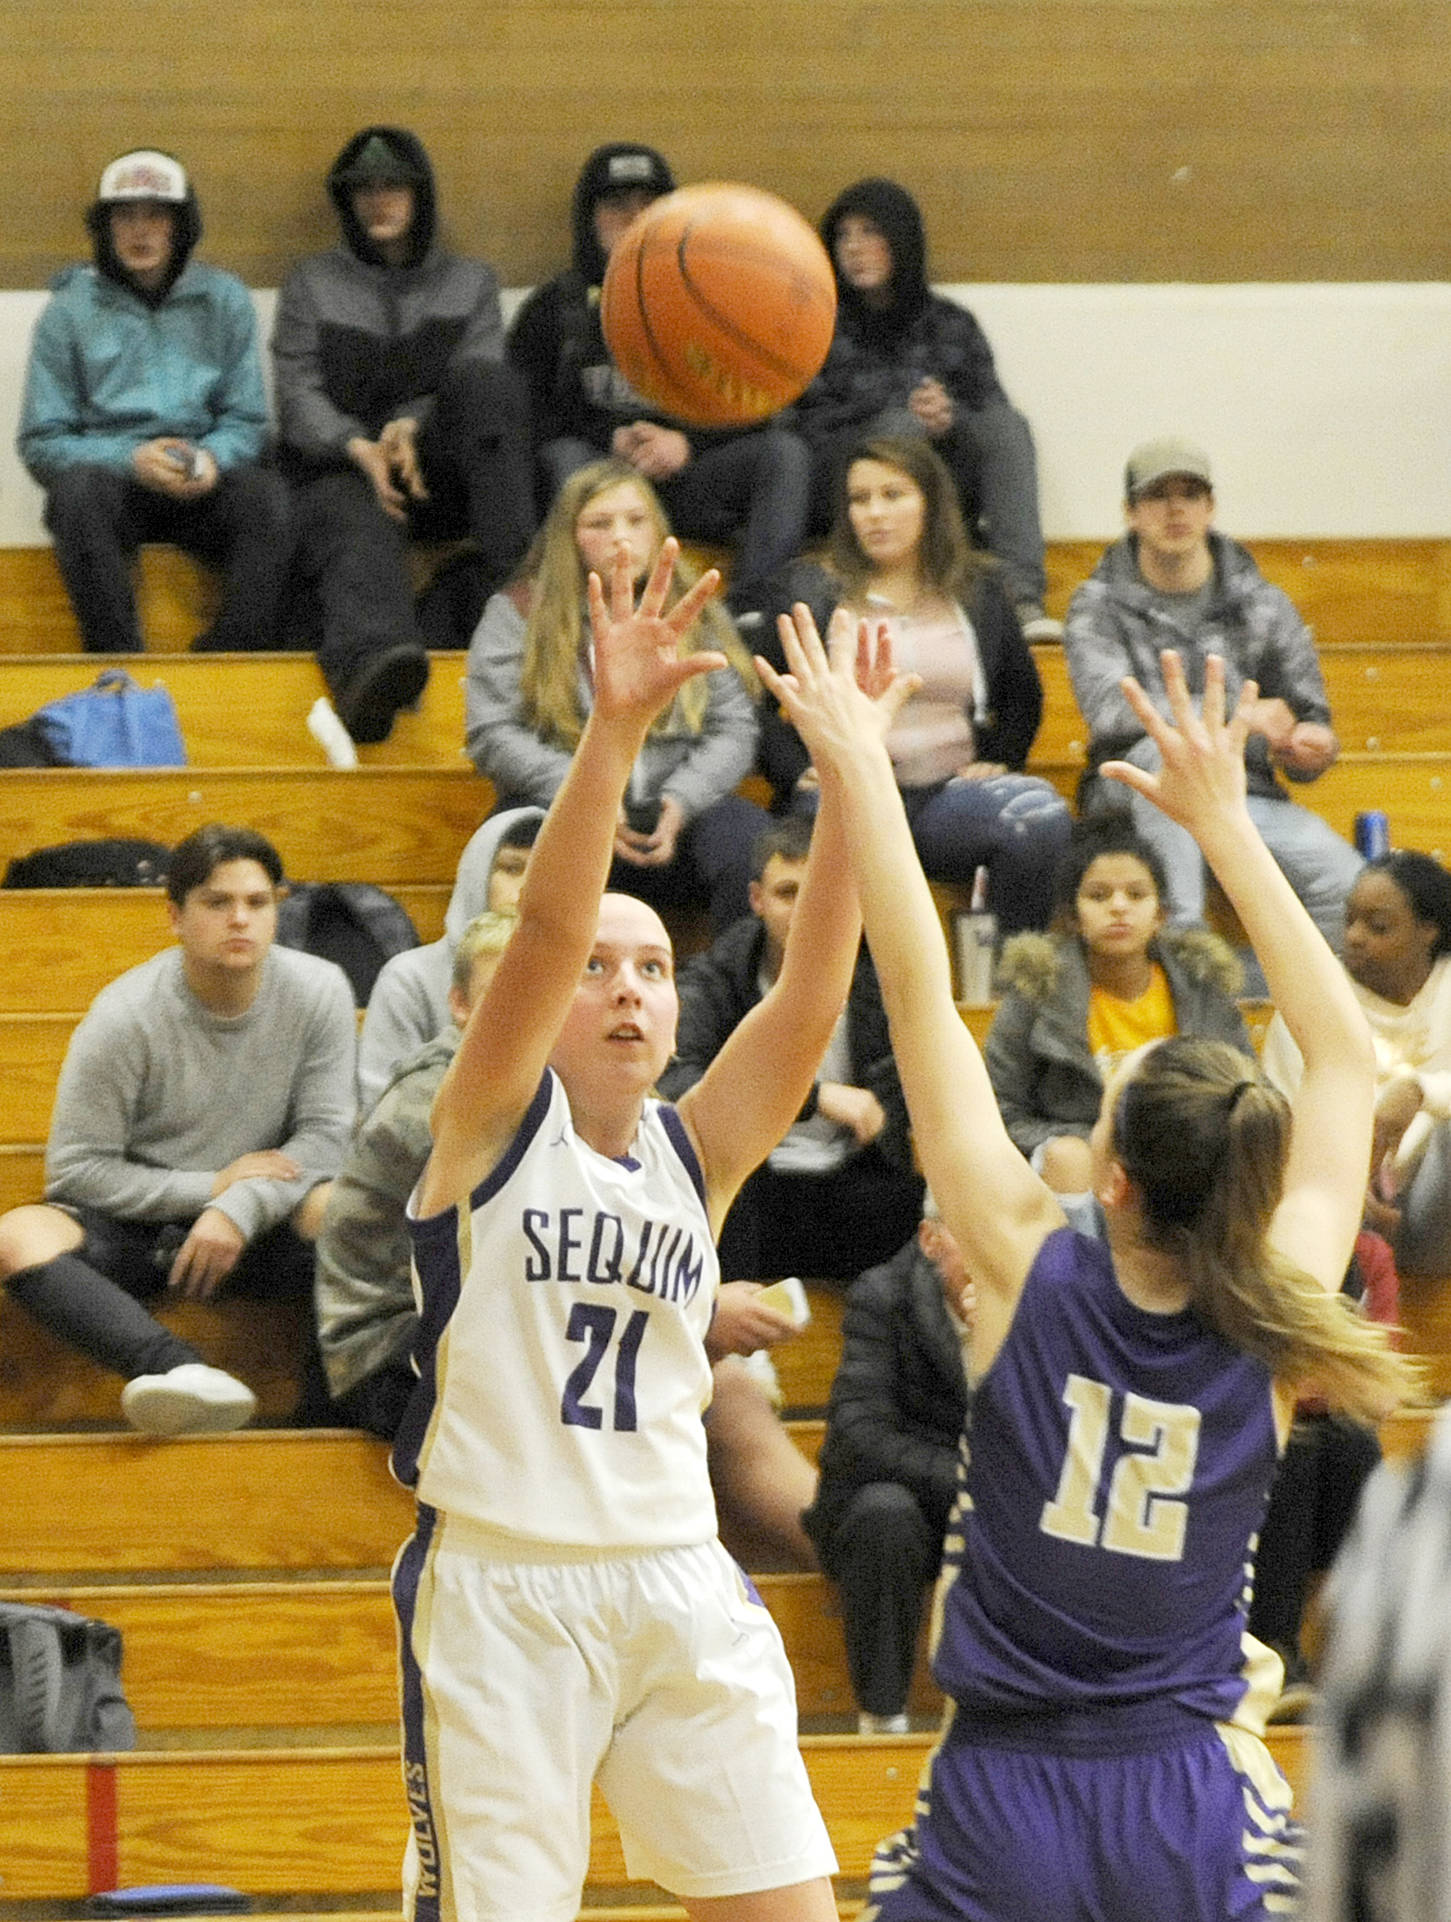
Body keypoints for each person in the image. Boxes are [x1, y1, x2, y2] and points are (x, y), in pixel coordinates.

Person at [758, 627, 1417, 1921]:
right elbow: (1342, 1060)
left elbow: (913, 990)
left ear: (1106, 1178)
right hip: (1187, 1795)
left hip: (1003, 1788)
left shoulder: (1023, 1259)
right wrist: (1226, 824)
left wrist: (858, 765)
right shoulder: (1273, 1309)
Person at [392, 535, 899, 1921]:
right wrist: (612, 729)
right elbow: (546, 926)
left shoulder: (697, 1153)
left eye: (656, 970)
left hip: (678, 1572)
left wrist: (852, 772)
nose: (625, 988)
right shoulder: (489, 1125)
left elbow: (808, 995)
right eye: (600, 971)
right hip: (506, 1585)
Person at [321, 909, 819, 1570]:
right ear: (466, 1008)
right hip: (391, 1345)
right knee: (706, 1389)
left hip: (550, 1342)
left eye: (650, 968)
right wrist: (699, 1316)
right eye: (512, 995)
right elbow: (526, 1280)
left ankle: (822, 1546)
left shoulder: (633, 1112)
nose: (522, 1013)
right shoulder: (454, 1103)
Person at [0, 825, 356, 1436]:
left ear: (279, 908)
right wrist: (212, 1187)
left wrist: (239, 1206)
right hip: (141, 1225)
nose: (240, 920)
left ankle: (329, 1414)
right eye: (218, 903)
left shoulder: (320, 990)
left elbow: (325, 1140)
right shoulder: (125, 1014)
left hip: (263, 1219)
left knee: (347, 1209)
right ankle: (180, 1371)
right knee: (15, 1236)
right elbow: (78, 1170)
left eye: (257, 902)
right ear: (176, 916)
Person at [272, 126, 535, 743]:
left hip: (438, 467)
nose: (378, 201)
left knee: (493, 387)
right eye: (363, 190)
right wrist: (358, 446)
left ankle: (521, 605)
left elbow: (477, 376)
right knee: (349, 516)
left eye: (393, 187)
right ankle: (375, 670)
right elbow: (296, 392)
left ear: (421, 197)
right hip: (343, 470)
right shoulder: (311, 282)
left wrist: (412, 426)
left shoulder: (471, 282)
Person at [1064, 435, 1363, 954]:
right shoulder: (1097, 605)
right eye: (1158, 496)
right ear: (1130, 512)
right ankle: (1187, 942)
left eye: (1191, 494)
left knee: (1347, 886)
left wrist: (1312, 746)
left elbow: (1307, 721)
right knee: (1170, 751)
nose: (1176, 509)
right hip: (1135, 788)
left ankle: (1277, 1001)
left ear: (1210, 507)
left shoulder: (1263, 603)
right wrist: (1239, 714)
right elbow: (1112, 712)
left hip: (1245, 792)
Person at [764, 434, 1069, 934]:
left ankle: (1013, 986)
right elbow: (756, 697)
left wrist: (1001, 756)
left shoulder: (979, 588)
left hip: (949, 792)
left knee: (1037, 819)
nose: (874, 513)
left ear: (931, 502)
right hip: (846, 789)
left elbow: (1022, 697)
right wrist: (796, 768)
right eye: (859, 500)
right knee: (825, 831)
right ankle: (854, 1005)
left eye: (893, 495)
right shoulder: (813, 591)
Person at [505, 140, 811, 610]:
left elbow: (759, 403)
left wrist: (687, 444)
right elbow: (524, 421)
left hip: (692, 478)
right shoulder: (551, 310)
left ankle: (754, 615)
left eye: (649, 205)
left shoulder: (715, 297)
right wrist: (609, 442)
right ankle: (587, 612)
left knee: (783, 453)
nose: (634, 217)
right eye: (617, 205)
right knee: (565, 460)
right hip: (601, 487)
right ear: (589, 218)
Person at [465, 457, 768, 933]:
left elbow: (733, 727)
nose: (620, 536)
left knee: (752, 846)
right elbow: (491, 733)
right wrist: (589, 797)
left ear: (658, 530)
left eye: (636, 520)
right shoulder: (517, 613)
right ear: (570, 537)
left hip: (679, 816)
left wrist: (681, 800)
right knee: (511, 841)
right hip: (563, 804)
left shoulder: (693, 607)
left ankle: (738, 991)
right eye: (599, 524)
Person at [17, 148, 290, 654]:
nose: (140, 231)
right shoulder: (68, 311)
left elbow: (248, 421)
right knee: (74, 496)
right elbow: (42, 441)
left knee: (270, 496)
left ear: (180, 226)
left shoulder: (224, 298)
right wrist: (129, 460)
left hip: (203, 479)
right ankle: (119, 659)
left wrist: (210, 459)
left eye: (156, 215)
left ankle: (233, 654)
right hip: (115, 486)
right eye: (125, 216)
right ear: (105, 228)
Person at [659, 813, 923, 1279]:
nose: (806, 910)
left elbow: (910, 1094)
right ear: (756, 899)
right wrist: (815, 1099)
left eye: (821, 892)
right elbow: (679, 1081)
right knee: (723, 1184)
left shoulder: (882, 982)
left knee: (914, 1198)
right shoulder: (713, 980)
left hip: (848, 1182)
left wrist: (890, 1121)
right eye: (787, 893)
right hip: (749, 1183)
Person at [795, 177, 1053, 633]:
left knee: (1006, 426)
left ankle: (1021, 597)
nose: (854, 248)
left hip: (944, 485)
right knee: (899, 429)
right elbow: (805, 427)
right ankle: (886, 584)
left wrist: (951, 418)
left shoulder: (951, 323)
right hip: (850, 485)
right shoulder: (818, 327)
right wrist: (898, 411)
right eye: (843, 236)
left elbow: (990, 414)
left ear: (900, 241)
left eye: (870, 233)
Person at [985, 812, 1250, 1195]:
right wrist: (1098, 1142)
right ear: (1074, 917)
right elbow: (1000, 1110)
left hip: (1187, 1155)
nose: (1119, 907)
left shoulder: (1202, 985)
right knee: (1068, 1158)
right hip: (1081, 1163)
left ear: (1161, 915)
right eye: (1099, 895)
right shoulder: (1036, 990)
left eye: (1136, 894)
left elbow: (1245, 1092)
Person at [802, 1201, 972, 1734]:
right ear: (930, 1239)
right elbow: (860, 1432)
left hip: (987, 1505)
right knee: (886, 1515)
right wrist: (968, 1480)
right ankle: (883, 1720)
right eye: (972, 1230)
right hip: (888, 1505)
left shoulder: (1031, 1302)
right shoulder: (883, 1294)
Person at [1262, 850, 1451, 1279]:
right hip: (1333, 1201)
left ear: (1428, 930)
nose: (1355, 937)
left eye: (1378, 926)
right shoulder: (1314, 995)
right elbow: (1283, 1120)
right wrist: (1341, 1181)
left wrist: (1419, 1091)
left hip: (1434, 1209)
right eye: (1349, 921)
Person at [356, 806, 542, 1114]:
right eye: (512, 868)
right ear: (478, 874)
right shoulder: (409, 977)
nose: (528, 886)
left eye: (546, 872)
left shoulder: (581, 977)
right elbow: (381, 1110)